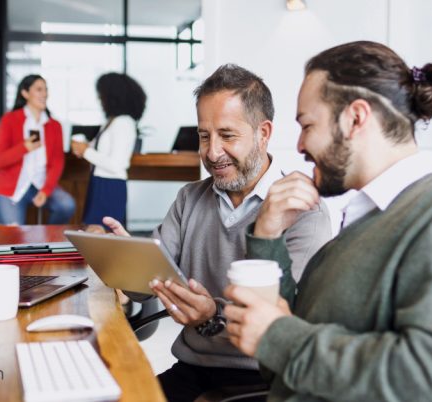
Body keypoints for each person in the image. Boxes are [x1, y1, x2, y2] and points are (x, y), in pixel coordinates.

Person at [223, 41, 432, 401]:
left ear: (356, 118)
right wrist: (268, 235)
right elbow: (281, 365)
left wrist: (279, 338)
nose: (301, 145)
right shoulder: (364, 220)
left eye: (307, 125)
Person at [102, 64, 333, 402]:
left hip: (263, 379)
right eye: (204, 135)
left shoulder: (303, 210)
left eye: (227, 136)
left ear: (263, 133)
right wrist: (127, 263)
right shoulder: (190, 197)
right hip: (192, 368)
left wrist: (213, 315)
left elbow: (289, 323)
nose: (212, 153)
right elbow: (143, 292)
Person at [0, 74, 75, 225]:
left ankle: (48, 239)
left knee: (67, 205)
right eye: (39, 89)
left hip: (40, 184)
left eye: (46, 90)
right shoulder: (9, 120)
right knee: (13, 237)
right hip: (11, 188)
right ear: (25, 93)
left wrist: (46, 191)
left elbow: (57, 163)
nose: (45, 94)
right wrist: (24, 147)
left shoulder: (54, 125)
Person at [71, 73, 146, 225]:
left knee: (103, 233)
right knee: (94, 232)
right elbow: (99, 149)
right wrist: (84, 147)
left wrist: (86, 151)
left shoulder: (124, 123)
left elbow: (115, 164)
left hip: (110, 187)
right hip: (99, 182)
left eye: (101, 95)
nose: (99, 99)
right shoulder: (111, 121)